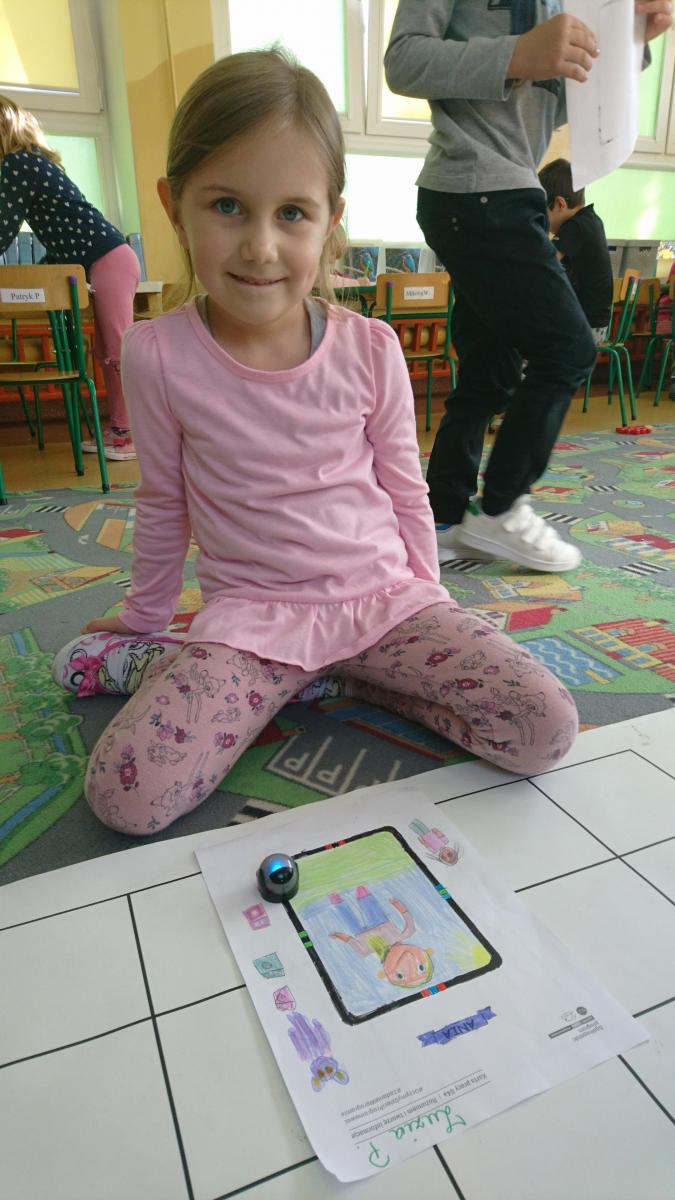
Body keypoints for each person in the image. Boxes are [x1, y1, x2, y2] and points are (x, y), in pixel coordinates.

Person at [52, 49, 579, 837]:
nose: (260, 247)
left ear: (330, 220)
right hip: (252, 624)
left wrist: (428, 595)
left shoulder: (370, 348)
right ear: (174, 207)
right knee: (127, 795)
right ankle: (194, 665)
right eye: (227, 206)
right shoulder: (157, 353)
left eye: (291, 214)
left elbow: (404, 489)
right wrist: (142, 620)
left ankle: (347, 681)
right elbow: (162, 502)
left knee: (543, 726)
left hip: (384, 605)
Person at [384, 1, 672, 572]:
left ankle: (443, 516)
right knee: (569, 348)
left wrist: (630, 40)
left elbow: (563, 102)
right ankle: (501, 508)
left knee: (489, 371)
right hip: (475, 187)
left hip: (506, 190)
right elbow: (404, 60)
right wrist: (518, 53)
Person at [0, 96, 140, 459]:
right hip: (104, 259)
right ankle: (121, 429)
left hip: (107, 259)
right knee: (105, 351)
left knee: (117, 351)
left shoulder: (16, 164)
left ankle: (129, 435)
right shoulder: (32, 162)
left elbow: (2, 230)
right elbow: (60, 234)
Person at [538, 158, 613, 345]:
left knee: (526, 345)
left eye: (543, 212)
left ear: (560, 204)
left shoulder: (575, 226)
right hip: (594, 323)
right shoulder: (590, 220)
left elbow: (544, 261)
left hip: (585, 325)